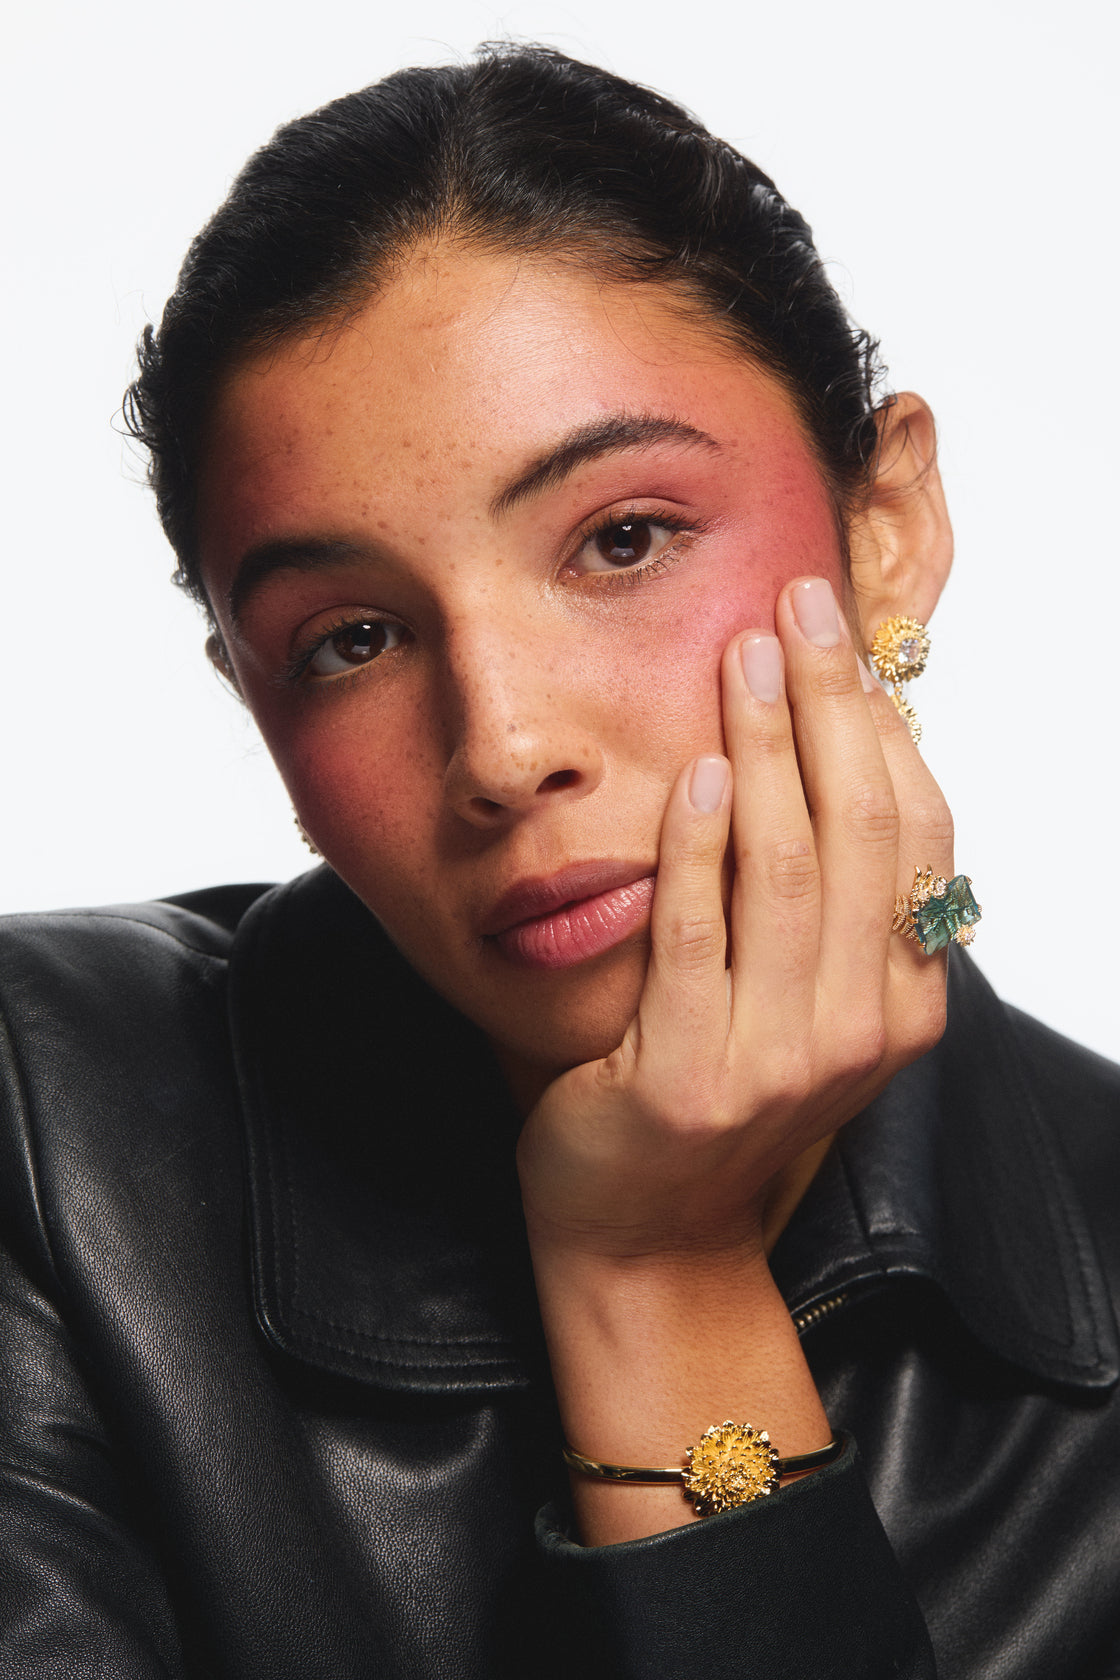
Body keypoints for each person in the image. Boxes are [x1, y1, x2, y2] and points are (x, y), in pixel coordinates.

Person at [1, 42, 1117, 1680]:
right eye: (354, 637)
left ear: (886, 529)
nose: (507, 748)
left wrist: (658, 1277)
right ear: (252, 697)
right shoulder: (49, 1137)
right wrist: (646, 1254)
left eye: (622, 538)